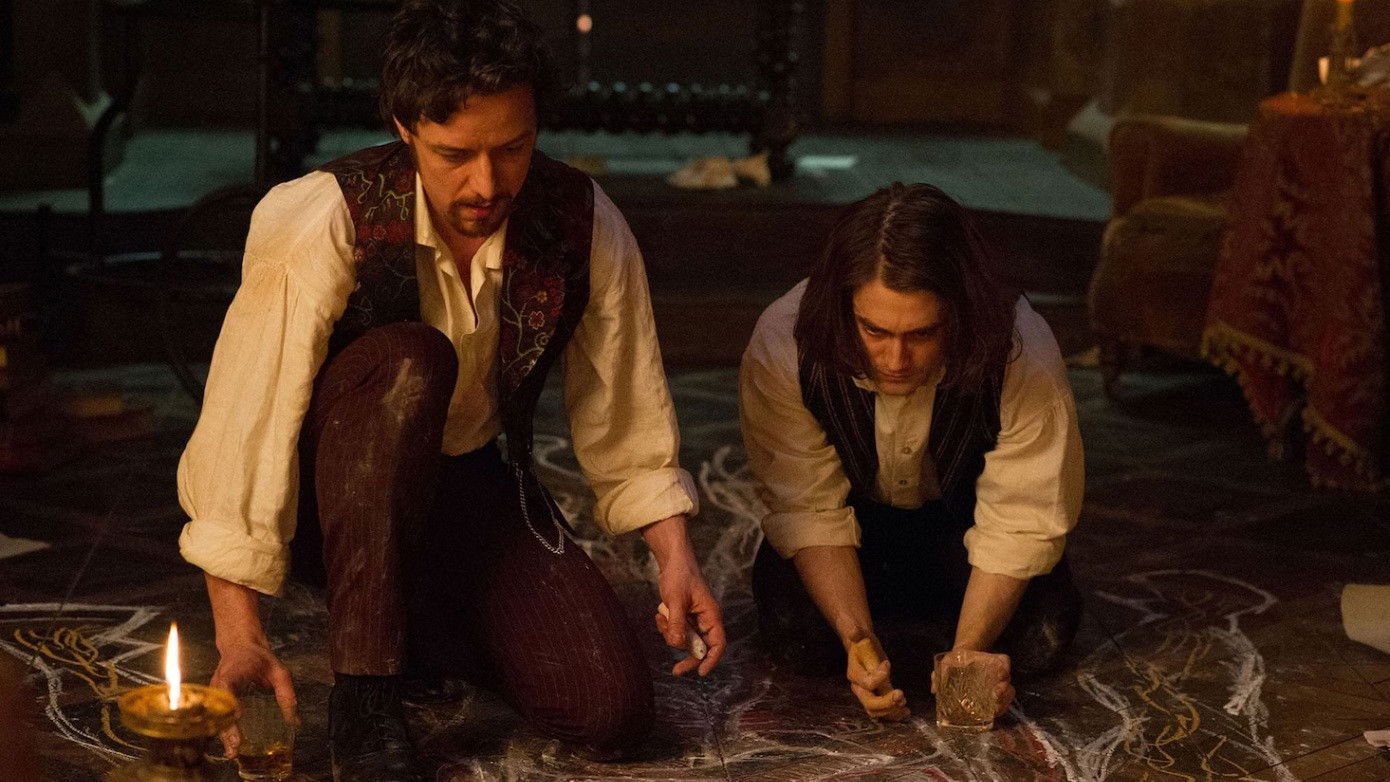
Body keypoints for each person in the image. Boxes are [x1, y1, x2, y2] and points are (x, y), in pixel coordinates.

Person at [176, 2, 725, 779]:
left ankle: (417, 613)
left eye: (513, 148)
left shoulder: (583, 220)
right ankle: (367, 691)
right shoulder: (324, 217)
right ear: (405, 129)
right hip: (332, 497)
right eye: (455, 153)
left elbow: (627, 411)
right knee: (412, 361)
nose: (487, 182)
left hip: (460, 482)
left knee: (609, 711)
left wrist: (675, 557)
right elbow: (246, 426)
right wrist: (239, 636)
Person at [739, 182, 1083, 722]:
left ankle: (946, 625)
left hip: (963, 523)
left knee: (1041, 636)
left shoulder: (1021, 350)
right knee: (797, 636)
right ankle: (893, 623)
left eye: (923, 334)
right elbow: (808, 506)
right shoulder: (787, 340)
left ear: (960, 313)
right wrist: (857, 641)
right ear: (844, 307)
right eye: (874, 330)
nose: (896, 360)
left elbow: (1020, 518)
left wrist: (969, 654)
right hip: (856, 527)